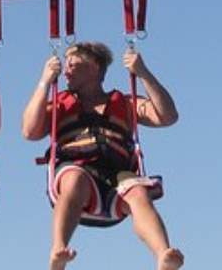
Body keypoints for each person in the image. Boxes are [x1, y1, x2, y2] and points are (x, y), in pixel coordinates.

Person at [21, 42, 183, 270]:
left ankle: (163, 255)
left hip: (117, 178)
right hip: (77, 171)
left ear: (95, 67)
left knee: (138, 191)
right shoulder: (60, 104)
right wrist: (45, 81)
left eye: (73, 64)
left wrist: (143, 73)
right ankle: (58, 249)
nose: (66, 71)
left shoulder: (125, 103)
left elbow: (168, 116)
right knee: (74, 178)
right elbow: (29, 131)